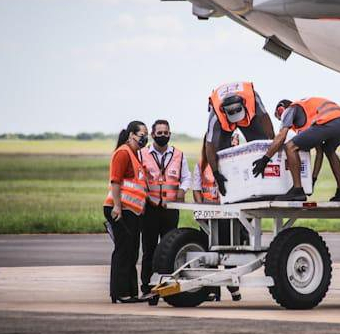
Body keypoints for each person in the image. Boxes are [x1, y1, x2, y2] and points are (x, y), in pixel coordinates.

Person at [253, 97, 340, 201]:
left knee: (290, 147)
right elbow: (319, 152)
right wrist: (313, 179)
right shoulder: (310, 117)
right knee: (329, 150)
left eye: (279, 116)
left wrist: (265, 159)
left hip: (329, 120)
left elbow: (281, 136)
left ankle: (297, 190)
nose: (281, 120)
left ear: (281, 109)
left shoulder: (291, 109)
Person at [139, 120, 191, 298]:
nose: (163, 136)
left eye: (165, 133)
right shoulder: (142, 154)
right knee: (149, 249)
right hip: (150, 208)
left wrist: (183, 190)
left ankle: (167, 285)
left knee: (169, 249)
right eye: (159, 133)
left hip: (170, 209)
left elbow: (186, 178)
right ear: (153, 135)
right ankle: (147, 287)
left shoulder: (179, 155)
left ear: (170, 134)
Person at [192, 135, 242, 301]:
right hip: (209, 213)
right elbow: (197, 188)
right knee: (210, 253)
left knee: (229, 251)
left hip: (227, 213)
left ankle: (234, 288)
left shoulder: (230, 162)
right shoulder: (201, 164)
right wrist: (201, 209)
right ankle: (213, 290)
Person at [103, 121, 149, 303]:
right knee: (123, 251)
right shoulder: (123, 153)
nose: (144, 138)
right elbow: (115, 181)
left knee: (132, 252)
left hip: (132, 212)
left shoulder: (136, 155)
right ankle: (119, 293)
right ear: (131, 135)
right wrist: (117, 206)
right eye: (141, 134)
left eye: (146, 135)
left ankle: (130, 293)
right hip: (120, 209)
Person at [205, 81, 274, 196]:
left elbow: (268, 127)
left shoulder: (253, 98)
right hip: (224, 121)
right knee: (221, 151)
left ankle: (261, 182)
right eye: (232, 114)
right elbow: (209, 145)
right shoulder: (215, 115)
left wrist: (269, 153)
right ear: (224, 112)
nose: (237, 119)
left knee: (260, 142)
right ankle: (231, 187)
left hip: (249, 115)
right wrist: (216, 173)